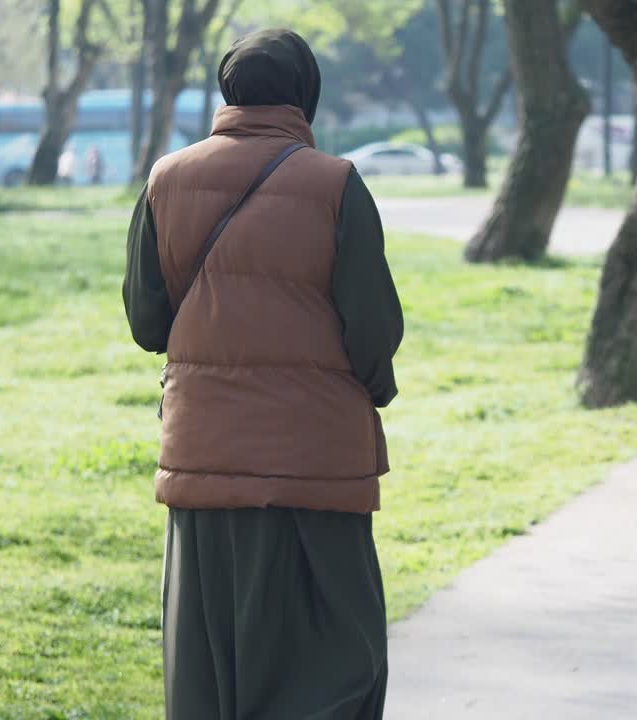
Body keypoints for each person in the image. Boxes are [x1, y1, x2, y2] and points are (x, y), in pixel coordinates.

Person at [122, 28, 402, 720]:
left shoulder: (166, 179)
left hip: (205, 455)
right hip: (315, 464)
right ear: (306, 94)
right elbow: (374, 326)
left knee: (212, 666)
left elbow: (146, 322)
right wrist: (376, 387)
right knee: (335, 654)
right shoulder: (335, 184)